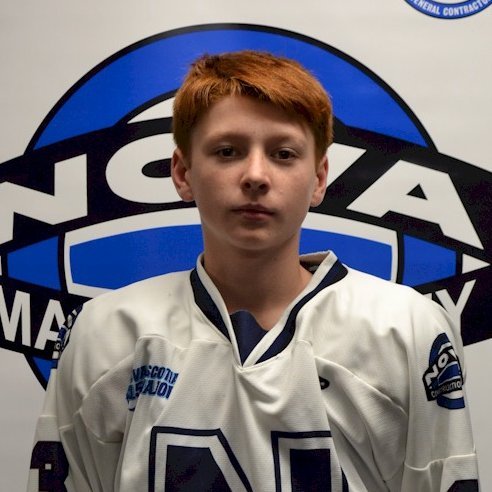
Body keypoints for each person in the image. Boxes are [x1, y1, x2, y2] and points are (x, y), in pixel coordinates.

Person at [28, 50, 479, 491]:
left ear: (319, 178)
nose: (256, 175)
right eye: (227, 151)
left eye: (284, 153)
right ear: (183, 173)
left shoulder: (405, 328)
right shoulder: (106, 333)